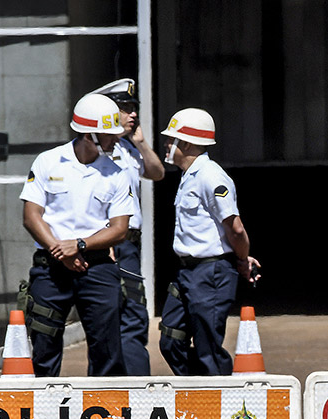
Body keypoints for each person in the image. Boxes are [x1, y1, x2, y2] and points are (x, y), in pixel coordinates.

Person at [20, 93, 135, 377]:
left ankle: (105, 402)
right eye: (108, 134)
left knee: (106, 349)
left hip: (97, 266)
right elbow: (31, 216)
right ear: (89, 135)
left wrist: (79, 245)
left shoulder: (117, 173)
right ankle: (45, 402)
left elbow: (120, 229)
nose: (116, 139)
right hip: (51, 266)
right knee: (44, 344)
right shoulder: (48, 161)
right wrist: (61, 252)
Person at [158, 108, 260, 376]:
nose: (167, 144)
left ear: (186, 143)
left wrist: (242, 259)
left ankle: (221, 394)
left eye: (171, 139)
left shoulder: (210, 176)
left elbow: (235, 228)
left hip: (209, 272)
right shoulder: (189, 176)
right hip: (187, 272)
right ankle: (201, 388)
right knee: (170, 341)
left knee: (208, 350)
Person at [90, 78, 165, 375]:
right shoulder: (93, 152)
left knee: (134, 314)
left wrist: (141, 143)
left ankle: (137, 385)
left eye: (134, 108)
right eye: (125, 108)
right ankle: (103, 386)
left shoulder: (127, 149)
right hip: (105, 245)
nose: (133, 114)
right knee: (105, 318)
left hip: (129, 244)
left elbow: (157, 172)